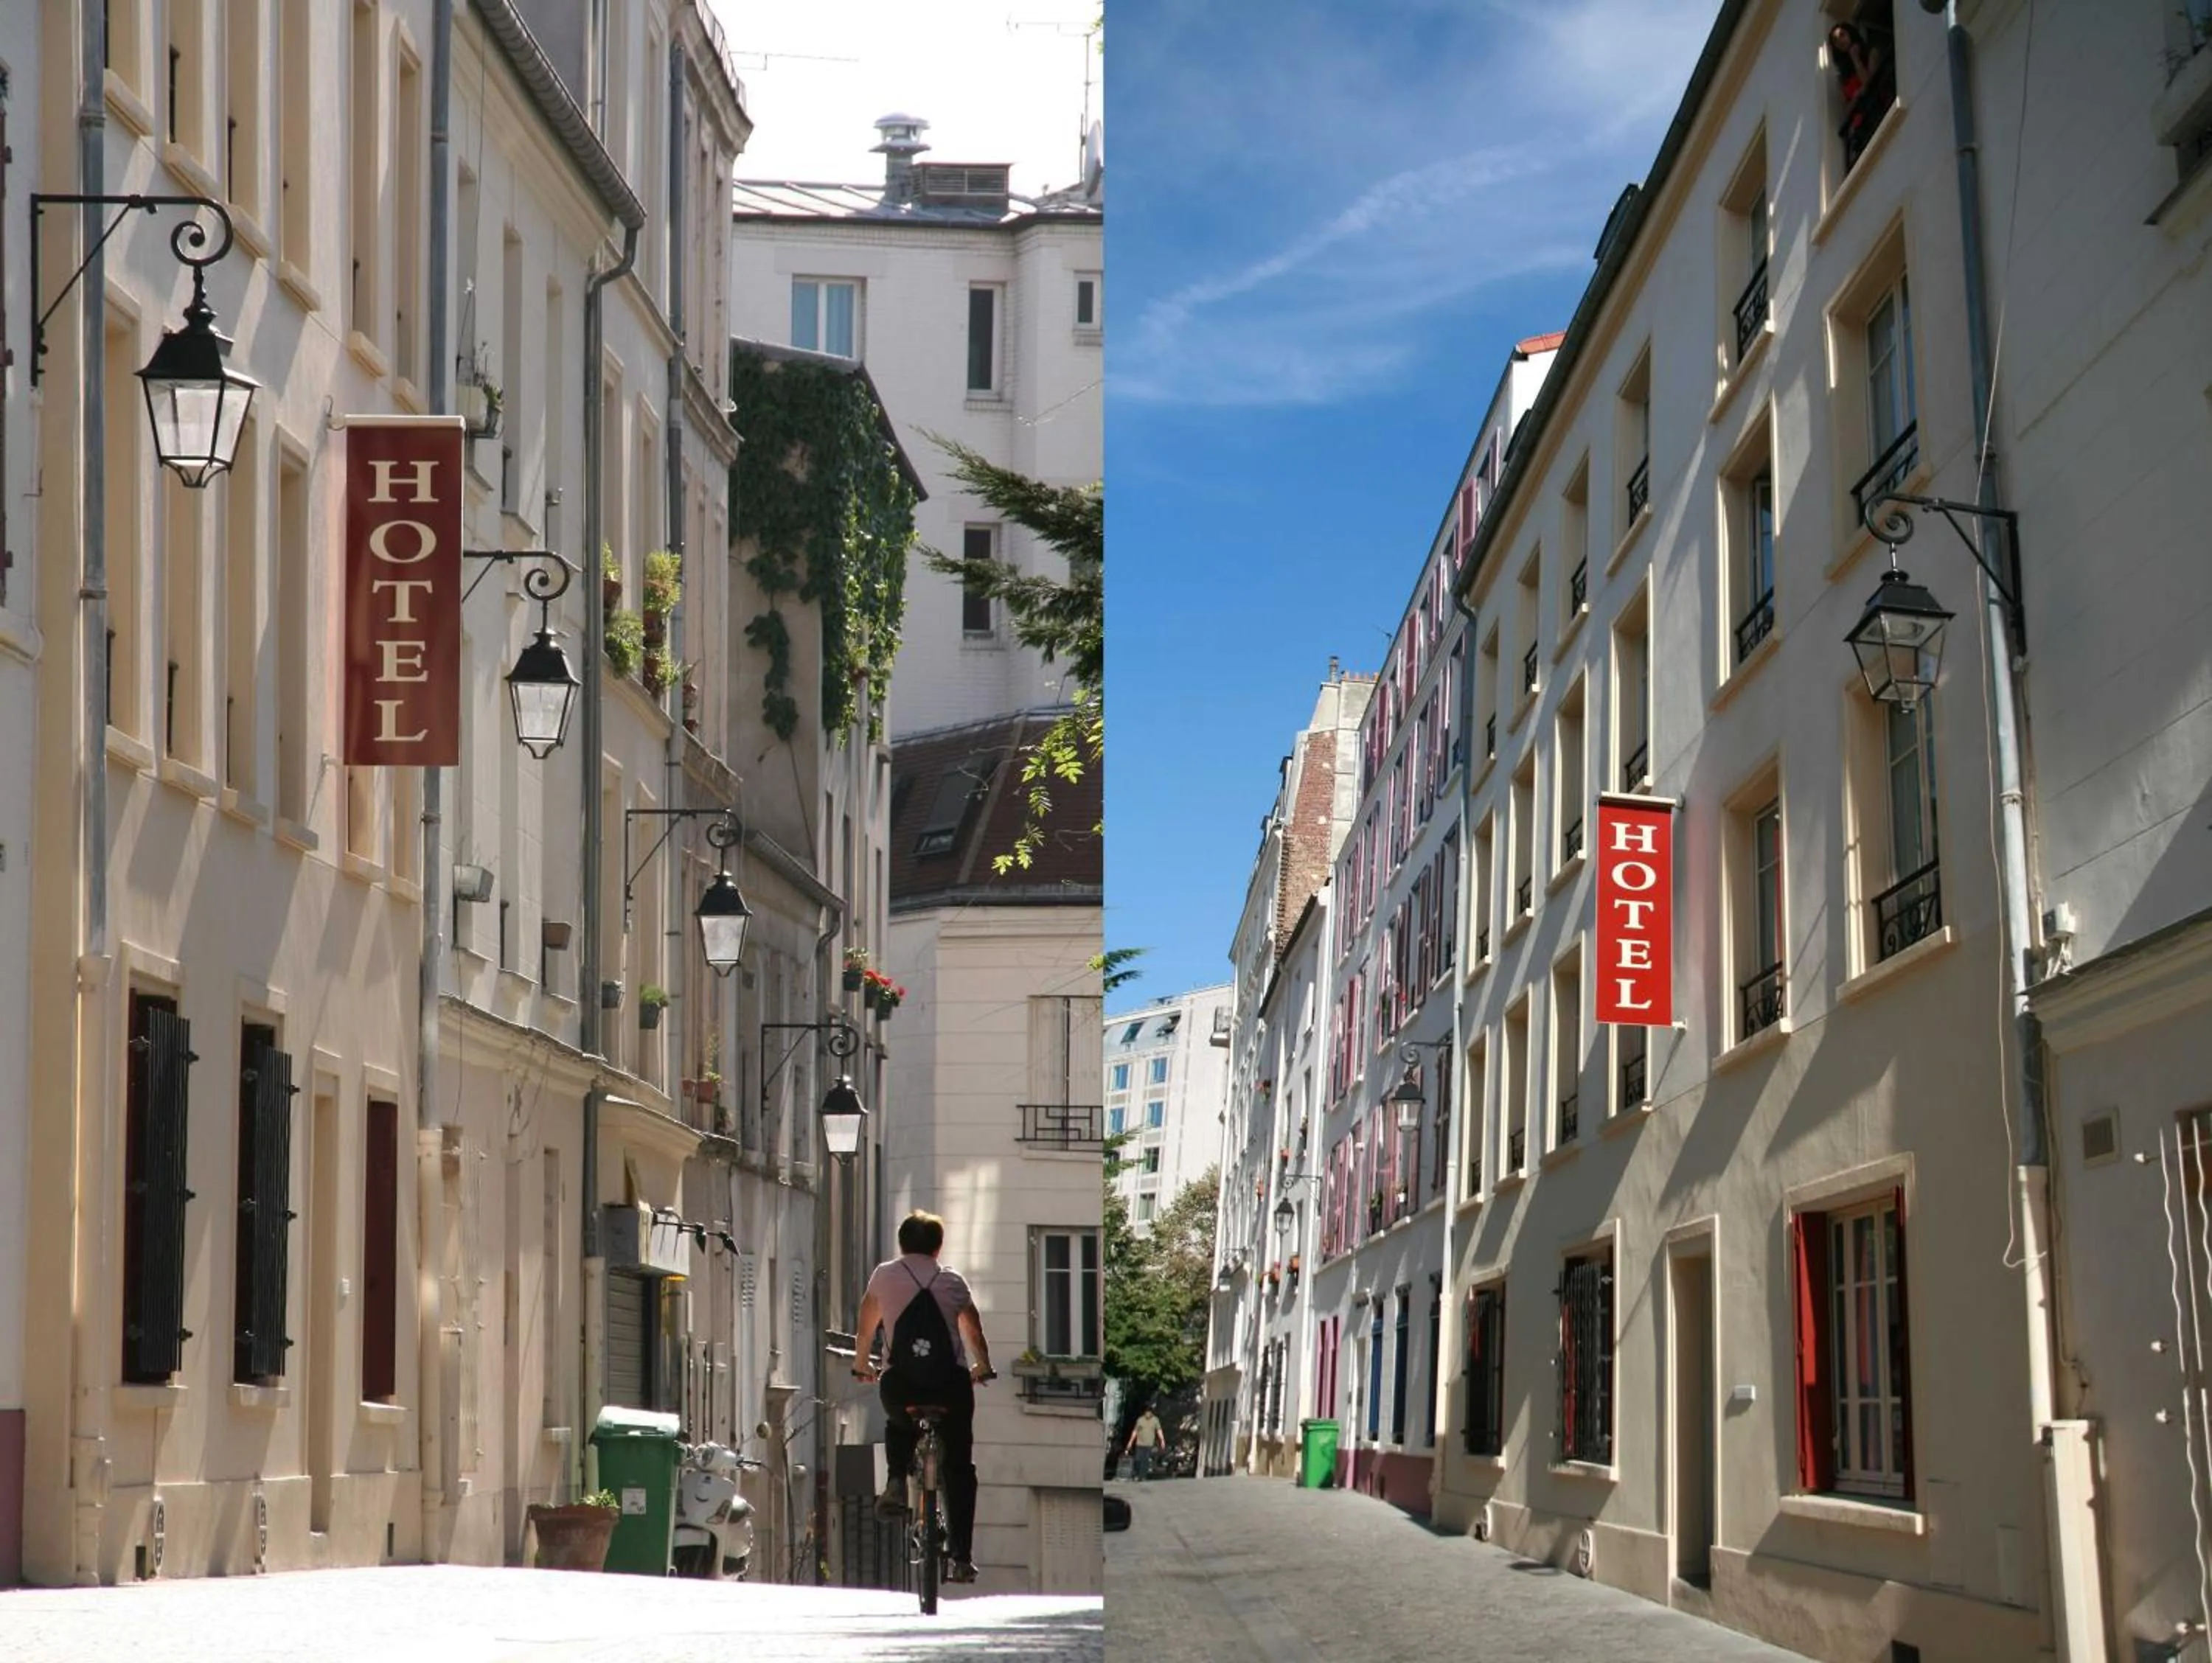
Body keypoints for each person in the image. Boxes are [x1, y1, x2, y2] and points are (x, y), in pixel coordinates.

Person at [852, 1210, 994, 1585]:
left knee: (899, 1423)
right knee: (960, 1467)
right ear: (938, 1247)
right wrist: (983, 1366)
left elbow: (866, 1325)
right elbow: (974, 1332)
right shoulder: (953, 1282)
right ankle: (962, 1557)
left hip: (902, 1383)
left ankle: (897, 1479)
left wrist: (862, 1364)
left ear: (902, 1244)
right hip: (950, 1386)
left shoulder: (885, 1276)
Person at [1126, 1405, 1166, 1482]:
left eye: (1149, 1413)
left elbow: (1159, 1430)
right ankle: (1137, 1474)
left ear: (1151, 1413)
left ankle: (1142, 1476)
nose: (1148, 1414)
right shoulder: (1140, 1420)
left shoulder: (1155, 1420)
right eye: (1147, 1413)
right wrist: (1130, 1442)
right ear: (1144, 1413)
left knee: (1145, 1461)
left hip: (1149, 1444)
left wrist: (1162, 1440)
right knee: (1138, 1460)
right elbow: (1135, 1431)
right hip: (1140, 1443)